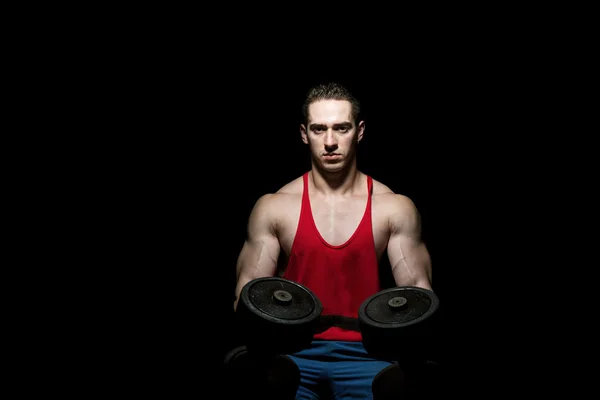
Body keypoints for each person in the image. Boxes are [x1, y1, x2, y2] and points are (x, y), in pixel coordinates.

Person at [232, 82, 434, 399]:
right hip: (292, 354)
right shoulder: (274, 207)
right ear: (303, 133)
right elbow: (246, 296)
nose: (329, 142)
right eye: (318, 129)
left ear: (360, 130)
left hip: (368, 356)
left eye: (341, 128)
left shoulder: (393, 207)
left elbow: (419, 298)